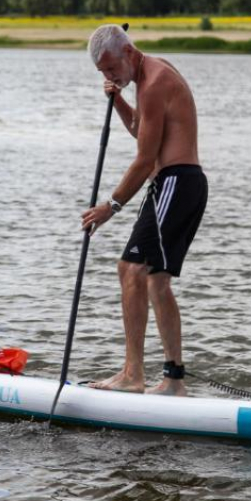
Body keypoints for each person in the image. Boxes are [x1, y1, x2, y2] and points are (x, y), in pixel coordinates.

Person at [81, 24, 208, 396]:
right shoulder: (147, 76)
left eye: (111, 69)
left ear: (129, 53)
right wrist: (119, 99)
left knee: (131, 269)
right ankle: (173, 380)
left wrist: (111, 206)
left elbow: (144, 159)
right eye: (103, 73)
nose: (110, 76)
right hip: (174, 185)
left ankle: (132, 374)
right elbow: (142, 130)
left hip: (176, 182)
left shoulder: (154, 83)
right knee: (154, 279)